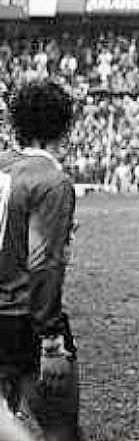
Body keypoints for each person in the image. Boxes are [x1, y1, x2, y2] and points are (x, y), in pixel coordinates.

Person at [0, 81, 82, 441]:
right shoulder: (52, 181)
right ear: (66, 126)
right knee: (61, 429)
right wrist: (51, 339)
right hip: (25, 320)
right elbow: (43, 263)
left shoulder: (3, 165)